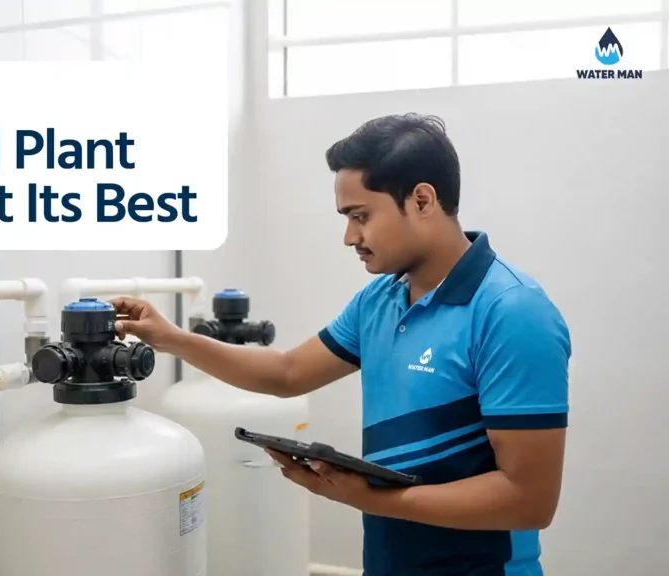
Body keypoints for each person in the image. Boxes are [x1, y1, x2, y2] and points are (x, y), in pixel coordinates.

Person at [110, 113, 570, 576]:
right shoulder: (380, 299)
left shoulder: (512, 312)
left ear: (423, 199)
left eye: (361, 216)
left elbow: (528, 500)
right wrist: (170, 338)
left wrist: (368, 498)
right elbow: (287, 372)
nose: (350, 236)